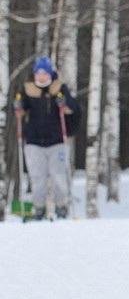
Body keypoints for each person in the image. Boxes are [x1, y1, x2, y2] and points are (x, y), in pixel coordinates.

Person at [11, 55, 79, 220]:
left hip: (56, 140)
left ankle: (61, 207)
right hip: (34, 141)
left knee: (58, 176)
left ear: (50, 74)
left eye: (45, 74)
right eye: (38, 74)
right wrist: (18, 107)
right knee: (37, 178)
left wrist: (65, 103)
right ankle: (39, 208)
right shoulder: (28, 89)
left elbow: (73, 108)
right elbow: (20, 108)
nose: (41, 77)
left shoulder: (59, 88)